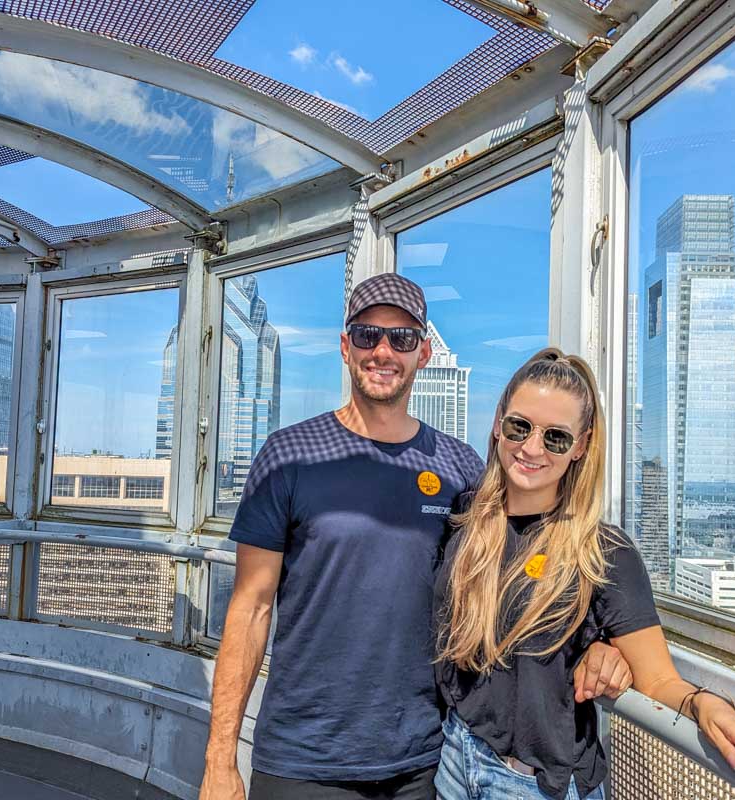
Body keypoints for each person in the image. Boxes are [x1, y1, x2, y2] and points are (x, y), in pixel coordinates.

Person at [200, 275, 630, 800]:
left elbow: (533, 558)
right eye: (367, 335)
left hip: (425, 762)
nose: (383, 351)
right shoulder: (288, 455)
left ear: (423, 353)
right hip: (302, 760)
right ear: (345, 346)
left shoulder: (459, 467)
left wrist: (606, 644)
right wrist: (220, 759)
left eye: (402, 339)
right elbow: (250, 607)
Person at [433, 348, 735, 799]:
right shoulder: (468, 519)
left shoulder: (602, 552)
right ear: (498, 424)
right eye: (520, 426)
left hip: (532, 786)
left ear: (581, 446)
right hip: (455, 758)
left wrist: (703, 704)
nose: (531, 448)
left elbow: (658, 678)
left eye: (556, 438)